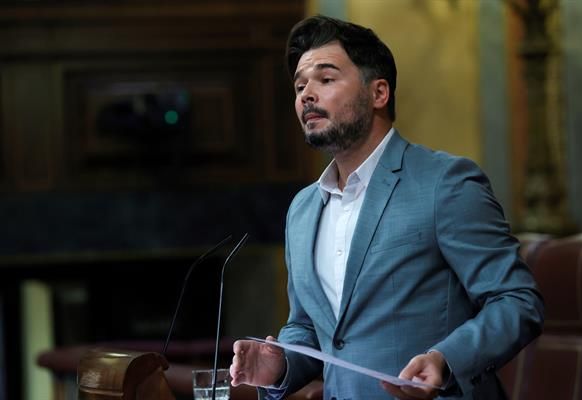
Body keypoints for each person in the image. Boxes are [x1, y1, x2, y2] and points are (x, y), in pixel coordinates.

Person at [229, 15, 544, 400]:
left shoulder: (445, 182)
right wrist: (279, 366)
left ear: (379, 93)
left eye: (325, 80)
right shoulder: (302, 209)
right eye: (299, 86)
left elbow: (516, 301)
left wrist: (446, 359)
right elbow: (311, 328)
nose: (306, 95)